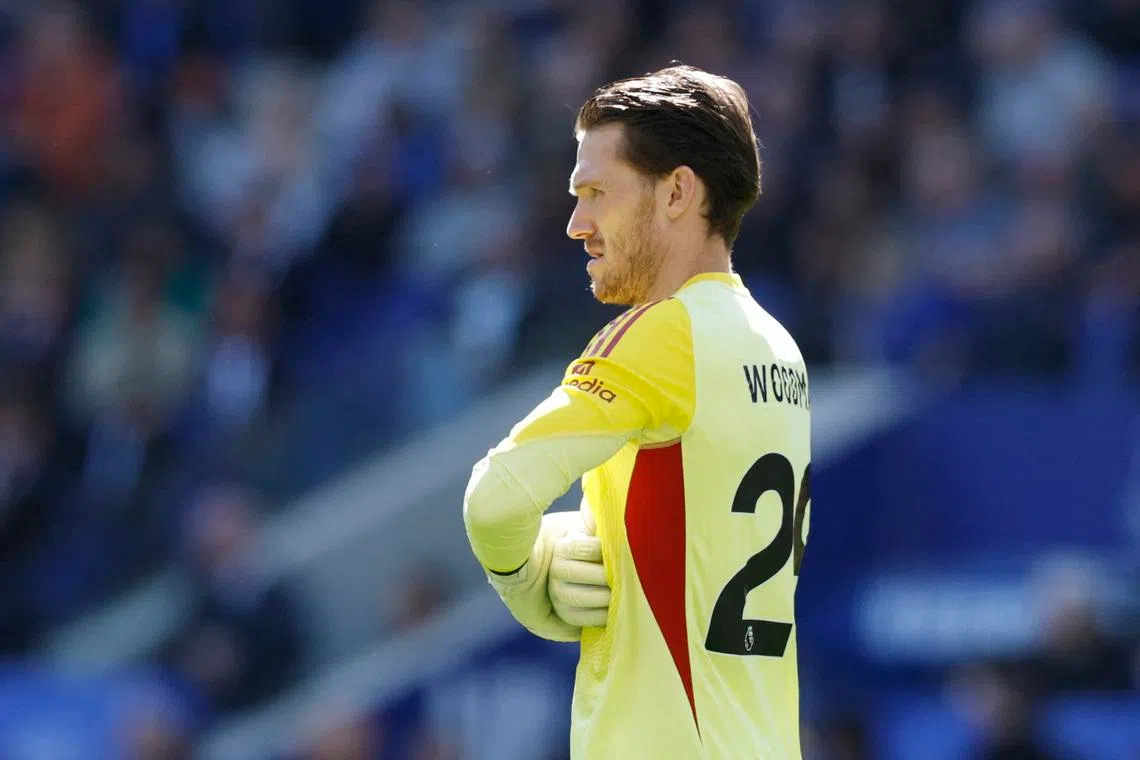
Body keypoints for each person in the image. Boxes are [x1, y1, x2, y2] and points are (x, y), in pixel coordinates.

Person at [463, 64, 812, 759]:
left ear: (678, 190)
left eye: (596, 193)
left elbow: (494, 502)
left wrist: (528, 580)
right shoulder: (776, 346)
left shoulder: (661, 332)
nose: (575, 224)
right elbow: (697, 537)